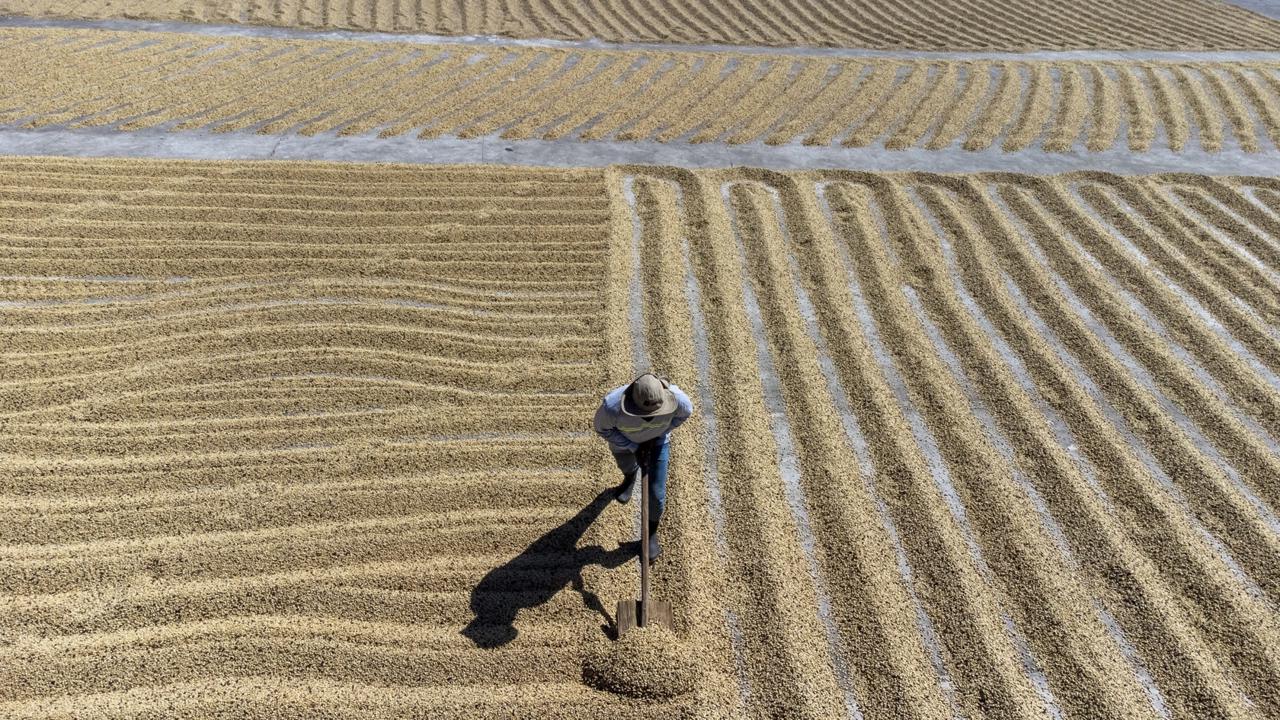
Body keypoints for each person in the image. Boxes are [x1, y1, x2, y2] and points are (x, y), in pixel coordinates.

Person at [592, 373, 693, 562]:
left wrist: (659, 434)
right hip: (624, 445)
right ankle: (630, 477)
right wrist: (633, 447)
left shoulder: (679, 400)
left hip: (658, 444)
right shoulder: (612, 407)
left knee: (656, 495)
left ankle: (650, 533)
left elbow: (685, 415)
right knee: (626, 465)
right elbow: (602, 429)